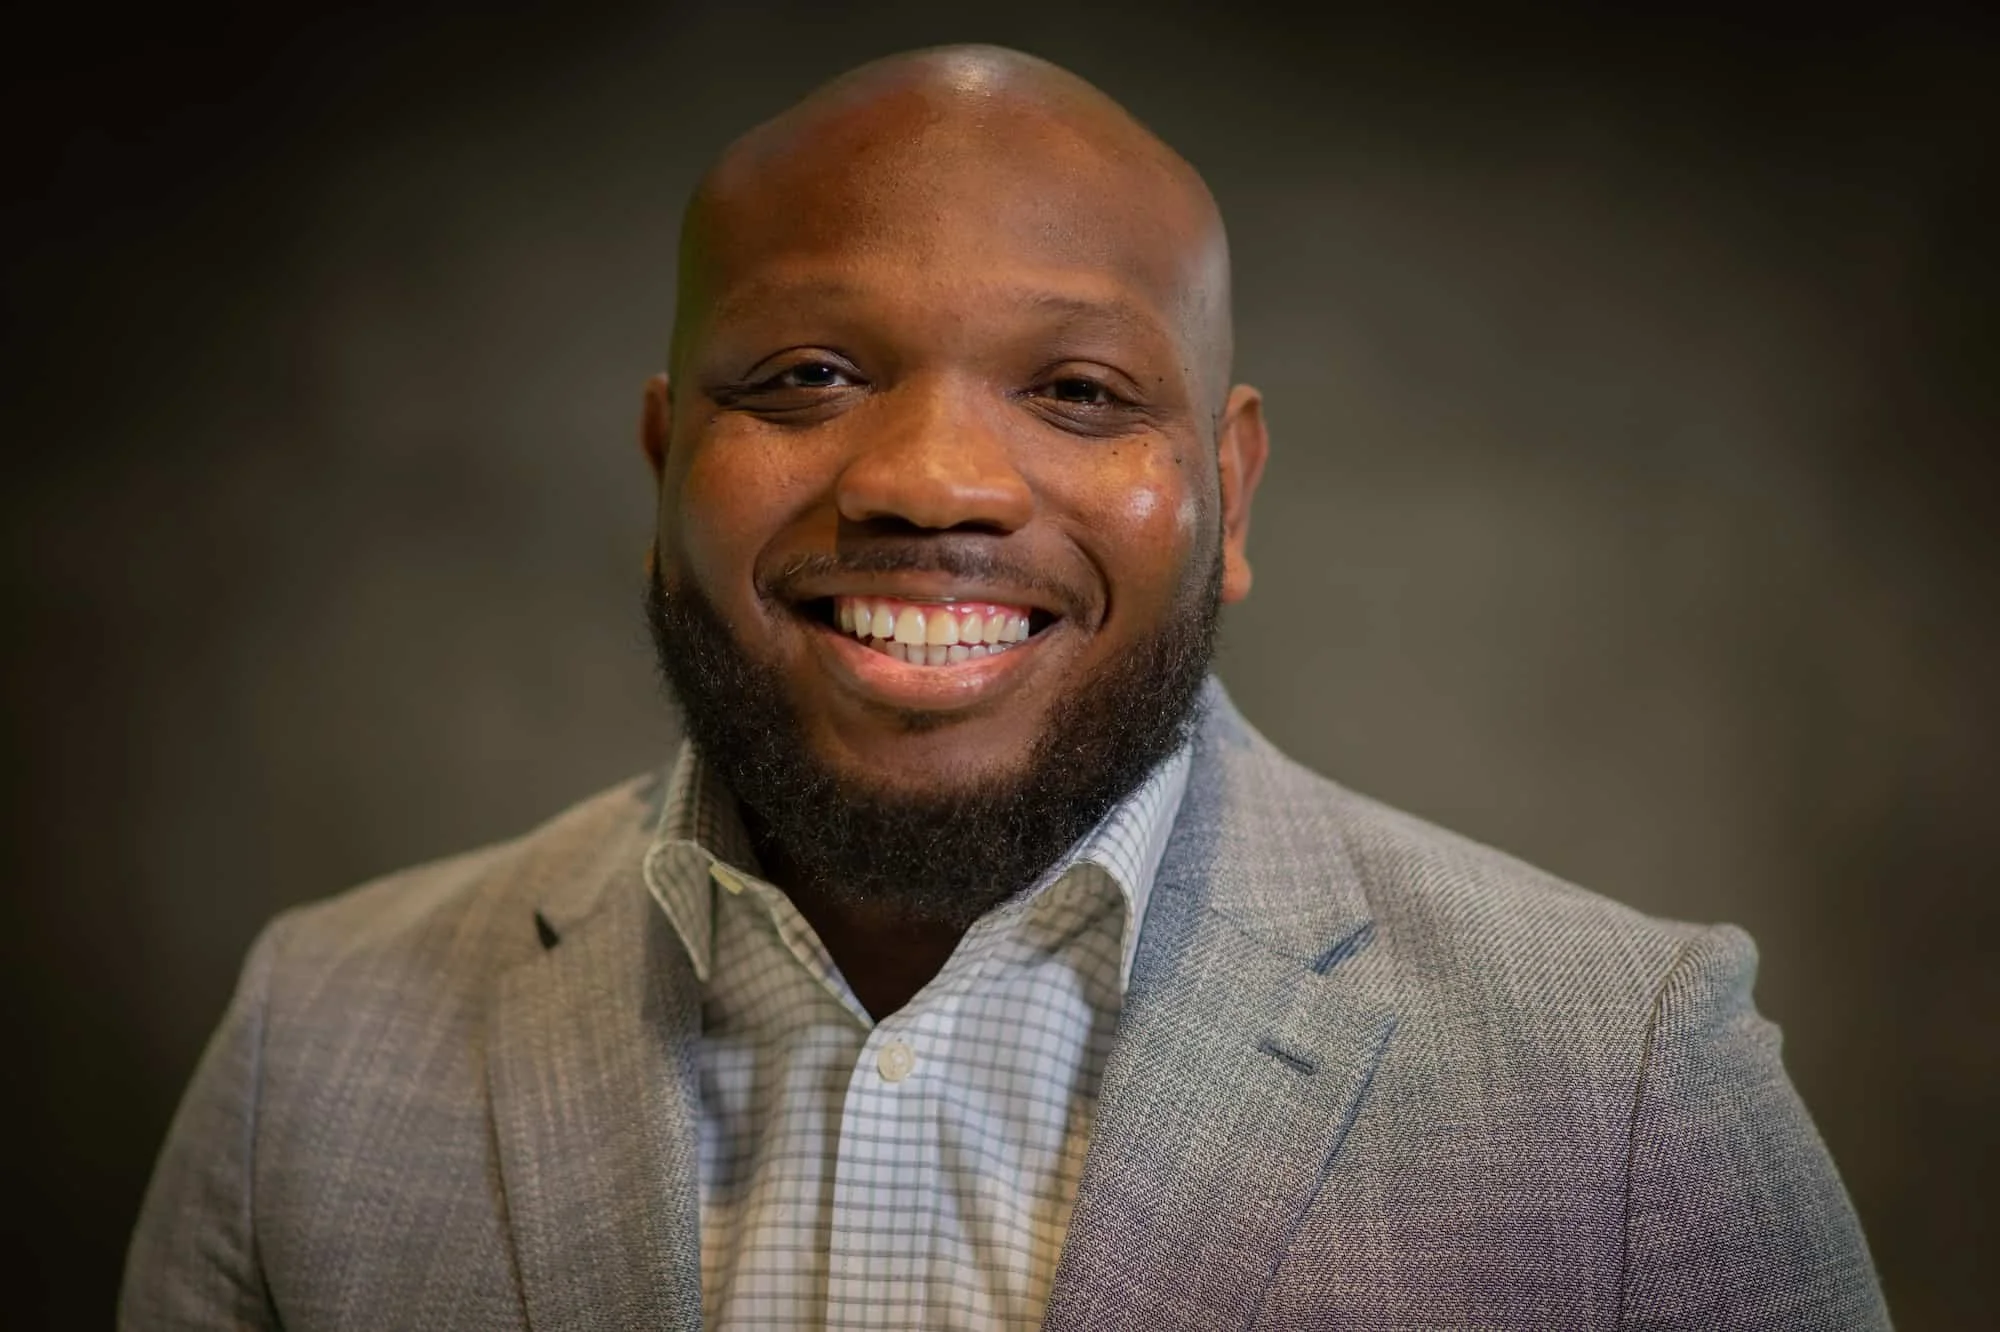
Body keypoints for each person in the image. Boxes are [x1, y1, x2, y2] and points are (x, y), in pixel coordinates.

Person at [121, 43, 1890, 1332]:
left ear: (1232, 490)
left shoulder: (1629, 1085)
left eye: (1080, 392)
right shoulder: (317, 1040)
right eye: (808, 373)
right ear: (665, 465)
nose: (930, 481)